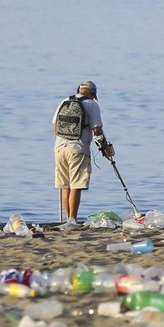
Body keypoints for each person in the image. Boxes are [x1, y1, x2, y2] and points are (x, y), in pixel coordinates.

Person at [52, 81, 112, 225]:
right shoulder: (92, 104)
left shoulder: (65, 101)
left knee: (65, 185)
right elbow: (97, 130)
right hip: (78, 149)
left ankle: (68, 220)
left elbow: (55, 127)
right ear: (93, 93)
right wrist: (105, 148)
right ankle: (73, 220)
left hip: (59, 148)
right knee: (76, 186)